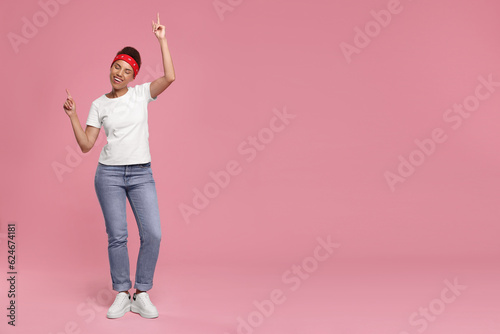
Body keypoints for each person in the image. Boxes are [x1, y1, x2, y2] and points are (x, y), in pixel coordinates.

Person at [63, 13, 175, 319]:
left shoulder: (141, 95)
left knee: (152, 233)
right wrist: (73, 115)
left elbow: (170, 77)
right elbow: (87, 145)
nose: (119, 73)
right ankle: (122, 294)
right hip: (108, 175)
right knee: (118, 236)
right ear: (111, 66)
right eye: (117, 66)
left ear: (133, 76)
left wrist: (162, 40)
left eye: (127, 71)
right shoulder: (99, 104)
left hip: (141, 173)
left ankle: (141, 293)